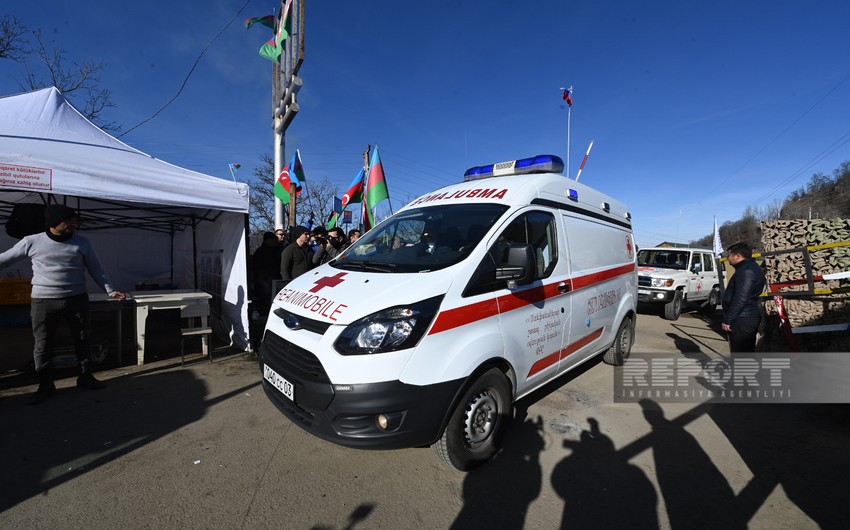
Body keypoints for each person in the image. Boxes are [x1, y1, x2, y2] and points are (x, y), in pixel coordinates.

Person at [0, 204, 126, 403]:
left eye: (74, 220)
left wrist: (110, 289)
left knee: (83, 338)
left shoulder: (82, 242)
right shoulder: (32, 241)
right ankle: (45, 384)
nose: (73, 224)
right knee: (43, 343)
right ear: (53, 222)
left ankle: (85, 376)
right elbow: (5, 260)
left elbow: (96, 267)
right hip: (44, 301)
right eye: (68, 220)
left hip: (76, 299)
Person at [721, 242, 766, 352]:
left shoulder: (746, 271)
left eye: (729, 255)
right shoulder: (749, 268)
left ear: (738, 256)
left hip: (742, 319)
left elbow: (741, 298)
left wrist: (728, 319)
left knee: (741, 353)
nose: (728, 258)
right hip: (744, 316)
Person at [251, 231, 282, 315]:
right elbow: (257, 269)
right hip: (264, 283)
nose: (274, 242)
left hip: (274, 280)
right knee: (265, 304)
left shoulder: (276, 250)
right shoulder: (260, 252)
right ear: (267, 240)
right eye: (272, 240)